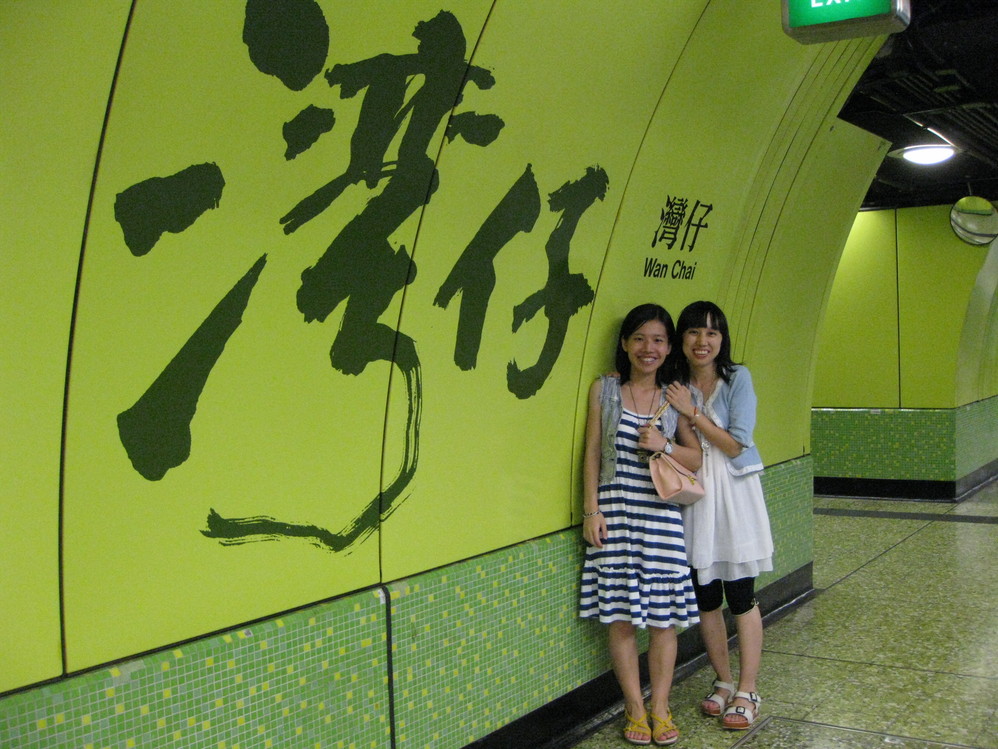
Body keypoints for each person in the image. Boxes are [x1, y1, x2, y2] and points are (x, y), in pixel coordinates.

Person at [579, 303, 702, 746]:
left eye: (658, 340)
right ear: (625, 344)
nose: (648, 348)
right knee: (621, 619)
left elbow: (696, 459)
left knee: (663, 621)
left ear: (668, 348)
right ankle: (634, 706)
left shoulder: (676, 395)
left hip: (660, 516)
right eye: (639, 339)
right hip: (614, 513)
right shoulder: (605, 390)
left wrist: (664, 444)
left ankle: (661, 707)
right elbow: (592, 452)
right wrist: (591, 511)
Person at [663, 301, 774, 731]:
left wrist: (692, 411)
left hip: (735, 493)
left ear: (722, 339)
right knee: (705, 594)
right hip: (695, 495)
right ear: (682, 339)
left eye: (711, 332)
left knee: (741, 594)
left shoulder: (737, 378)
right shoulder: (675, 382)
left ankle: (748, 689)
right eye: (693, 332)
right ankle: (724, 681)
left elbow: (735, 444)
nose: (702, 341)